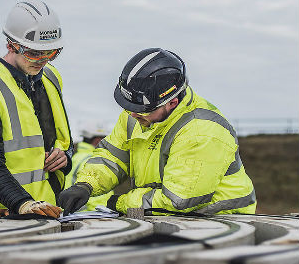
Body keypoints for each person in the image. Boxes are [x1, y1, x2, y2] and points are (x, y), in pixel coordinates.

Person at [59, 48, 256, 216]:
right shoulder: (136, 113)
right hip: (168, 216)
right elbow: (112, 157)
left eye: (141, 110)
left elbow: (178, 200)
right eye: (128, 106)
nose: (132, 114)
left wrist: (117, 203)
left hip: (222, 220)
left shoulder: (201, 132)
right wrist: (85, 185)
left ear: (172, 102)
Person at [0, 1, 73, 219]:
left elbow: (65, 142)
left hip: (53, 214)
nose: (43, 61)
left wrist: (65, 158)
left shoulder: (51, 78)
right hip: (7, 217)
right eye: (34, 53)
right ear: (11, 45)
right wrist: (23, 203)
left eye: (51, 53)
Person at [64, 121, 114, 211]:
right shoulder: (94, 160)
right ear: (98, 140)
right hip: (91, 217)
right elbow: (97, 198)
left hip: (74, 214)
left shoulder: (76, 157)